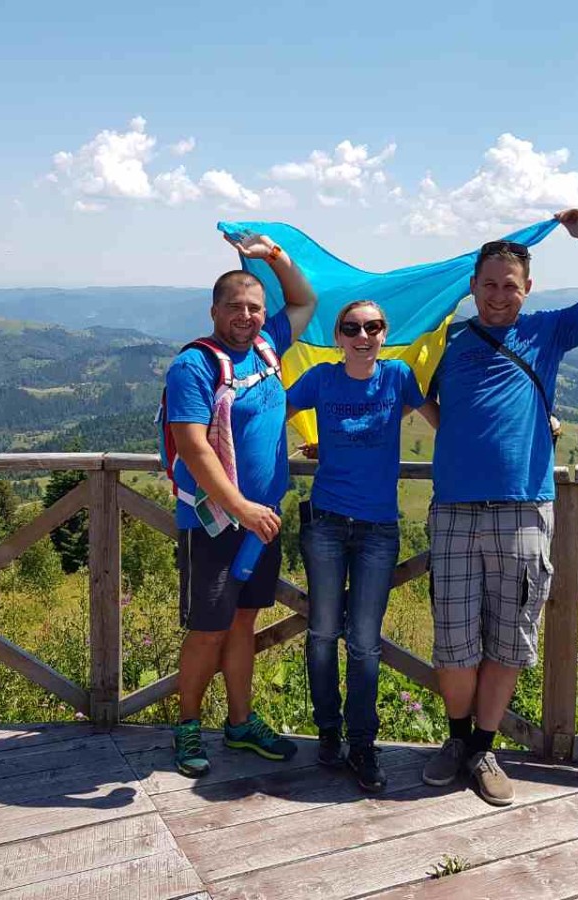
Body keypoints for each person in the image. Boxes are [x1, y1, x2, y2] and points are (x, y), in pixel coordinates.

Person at [421, 208, 578, 805]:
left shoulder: (547, 331)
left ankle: (484, 748)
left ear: (528, 289)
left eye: (510, 286)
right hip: (454, 510)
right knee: (454, 642)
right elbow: (407, 386)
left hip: (524, 509)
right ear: (473, 286)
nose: (499, 296)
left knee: (510, 640)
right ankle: (457, 741)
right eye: (489, 284)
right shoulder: (445, 340)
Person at [165, 231, 317, 777]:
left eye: (255, 307)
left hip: (261, 521)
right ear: (213, 310)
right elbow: (192, 444)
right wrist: (242, 507)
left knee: (242, 624)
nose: (247, 316)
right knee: (208, 628)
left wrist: (274, 256)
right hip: (213, 522)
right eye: (235, 307)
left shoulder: (267, 347)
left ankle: (239, 723)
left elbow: (304, 300)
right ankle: (186, 728)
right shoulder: (194, 367)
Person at [286, 301, 436, 792]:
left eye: (373, 327)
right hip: (326, 523)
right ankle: (328, 732)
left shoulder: (397, 377)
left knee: (365, 643)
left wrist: (543, 422)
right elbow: (270, 413)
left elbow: (447, 421)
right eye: (352, 328)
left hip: (377, 530)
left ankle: (362, 743)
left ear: (385, 333)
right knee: (324, 633)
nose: (363, 335)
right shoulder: (321, 379)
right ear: (338, 336)